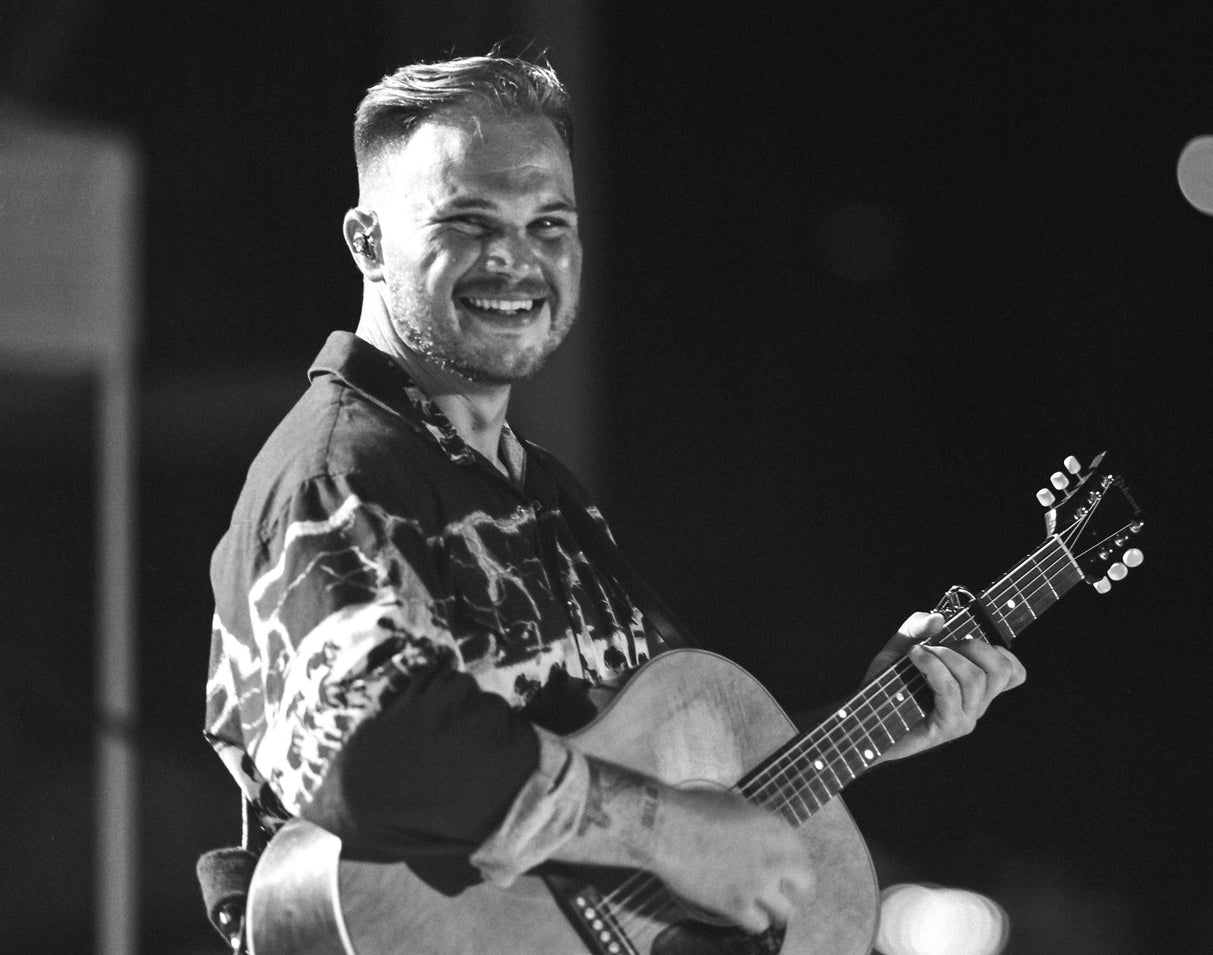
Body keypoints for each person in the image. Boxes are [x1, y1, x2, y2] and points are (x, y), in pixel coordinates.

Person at [203, 48, 1025, 938]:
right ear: (368, 242)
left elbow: (666, 767)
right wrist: (668, 832)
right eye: (469, 222)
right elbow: (368, 744)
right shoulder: (343, 470)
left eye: (548, 224)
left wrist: (869, 723)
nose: (515, 260)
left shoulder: (548, 496)